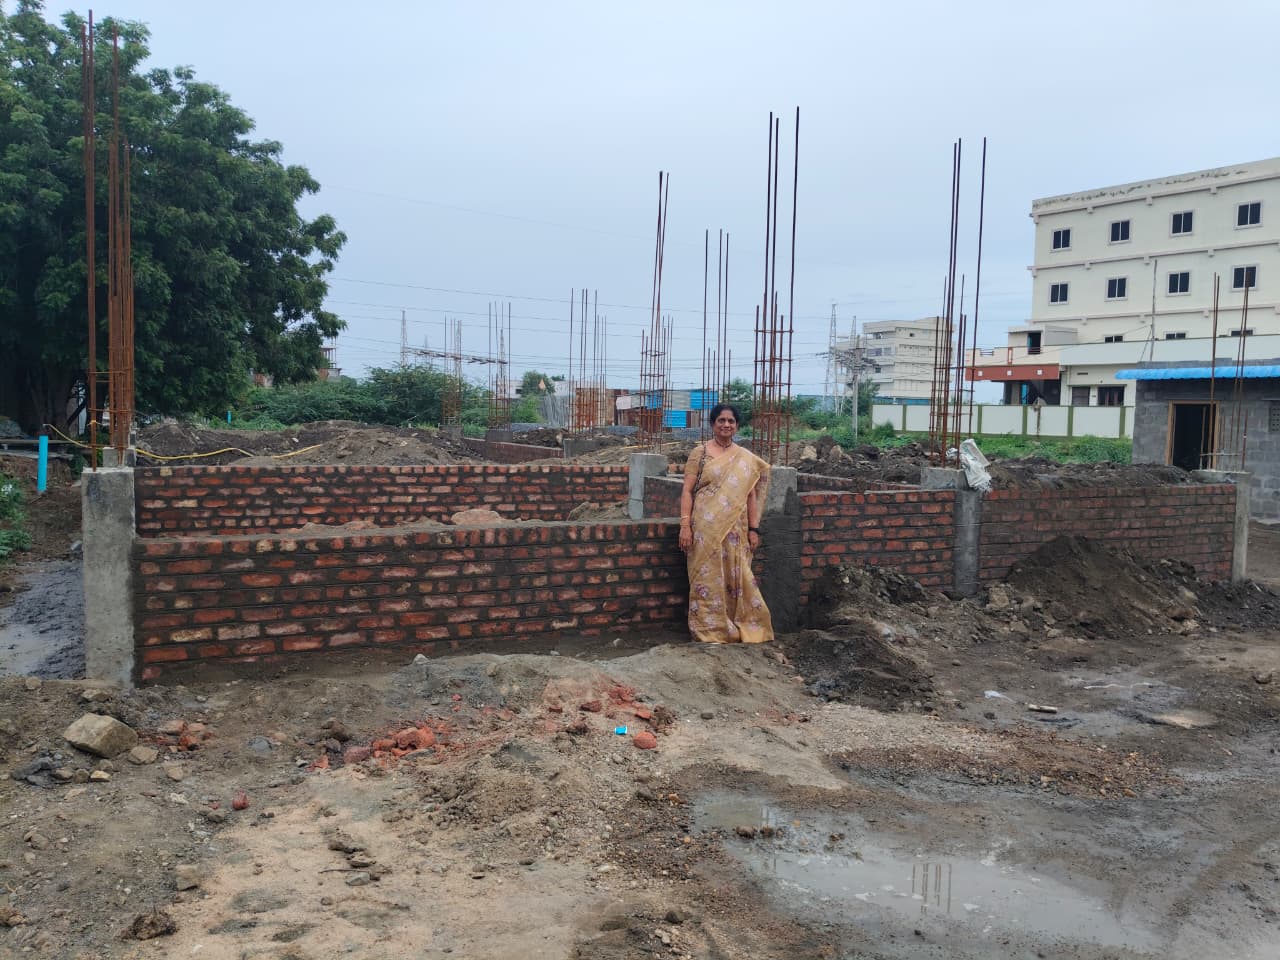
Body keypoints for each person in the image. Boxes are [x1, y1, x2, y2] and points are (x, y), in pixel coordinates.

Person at [677, 403, 774, 644]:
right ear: (713, 424)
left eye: (731, 421)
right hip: (704, 529)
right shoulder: (699, 454)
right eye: (721, 420)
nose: (726, 425)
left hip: (736, 529)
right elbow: (687, 491)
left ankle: (737, 625)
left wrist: (754, 528)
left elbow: (750, 495)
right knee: (706, 577)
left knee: (737, 574)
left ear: (737, 426)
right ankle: (710, 630)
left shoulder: (745, 459)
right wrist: (685, 525)